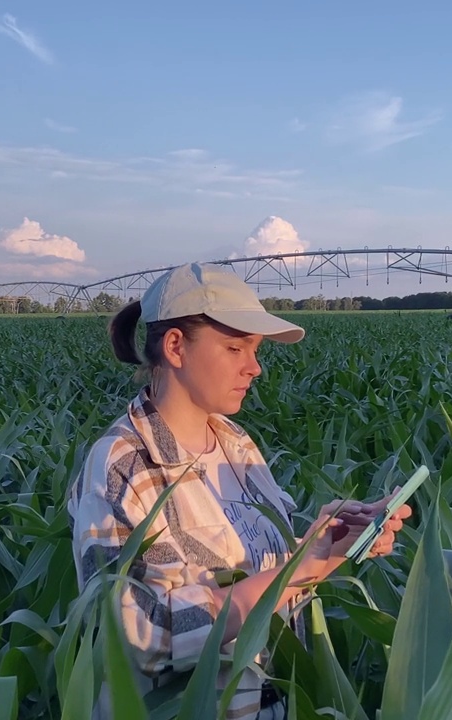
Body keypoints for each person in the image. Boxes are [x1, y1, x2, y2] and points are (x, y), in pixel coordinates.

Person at [67, 262, 412, 719]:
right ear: (175, 346)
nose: (255, 368)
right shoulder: (122, 464)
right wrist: (295, 571)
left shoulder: (234, 442)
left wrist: (327, 543)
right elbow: (137, 632)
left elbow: (266, 570)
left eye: (255, 350)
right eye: (235, 348)